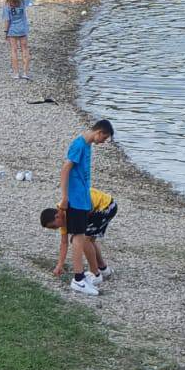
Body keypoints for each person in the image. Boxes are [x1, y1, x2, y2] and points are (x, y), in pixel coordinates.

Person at [57, 120, 115, 296]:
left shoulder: (88, 145)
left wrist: (88, 201)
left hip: (83, 199)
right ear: (99, 131)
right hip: (74, 199)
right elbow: (66, 169)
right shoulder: (79, 144)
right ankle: (78, 279)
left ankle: (81, 277)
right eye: (104, 138)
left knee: (81, 237)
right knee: (79, 238)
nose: (103, 141)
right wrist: (65, 197)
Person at [40, 188, 117, 280]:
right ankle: (103, 268)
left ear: (57, 216)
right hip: (96, 209)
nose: (55, 229)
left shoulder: (68, 209)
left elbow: (87, 205)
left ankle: (95, 274)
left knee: (83, 240)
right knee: (87, 240)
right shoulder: (62, 219)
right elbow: (64, 243)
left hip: (106, 206)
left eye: (53, 226)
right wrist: (59, 265)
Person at [1, 0, 33, 79]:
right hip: (23, 29)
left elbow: (7, 20)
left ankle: (16, 73)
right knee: (25, 50)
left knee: (14, 51)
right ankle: (25, 73)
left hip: (12, 30)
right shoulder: (22, 1)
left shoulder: (7, 4)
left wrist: (5, 32)